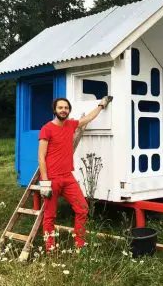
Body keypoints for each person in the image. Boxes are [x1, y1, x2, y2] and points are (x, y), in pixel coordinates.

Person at [38, 96, 110, 250]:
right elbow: (41, 157)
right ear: (55, 110)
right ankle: (50, 248)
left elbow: (88, 118)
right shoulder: (47, 128)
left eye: (66, 108)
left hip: (67, 177)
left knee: (82, 208)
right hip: (52, 178)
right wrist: (45, 183)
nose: (63, 110)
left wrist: (101, 105)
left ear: (68, 110)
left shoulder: (71, 124)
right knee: (50, 215)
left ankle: (80, 244)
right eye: (60, 108)